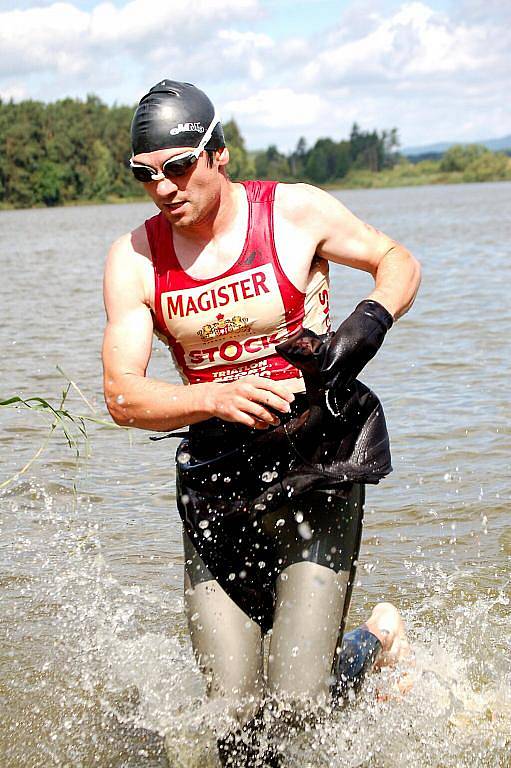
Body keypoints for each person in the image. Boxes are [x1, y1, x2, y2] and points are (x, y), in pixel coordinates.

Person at [102, 80, 421, 764]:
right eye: (145, 174)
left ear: (218, 154)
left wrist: (369, 320)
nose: (163, 187)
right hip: (219, 485)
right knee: (236, 727)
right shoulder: (134, 258)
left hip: (314, 467)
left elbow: (397, 261)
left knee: (297, 710)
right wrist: (211, 399)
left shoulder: (293, 213)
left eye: (179, 166)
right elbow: (121, 395)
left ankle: (372, 646)